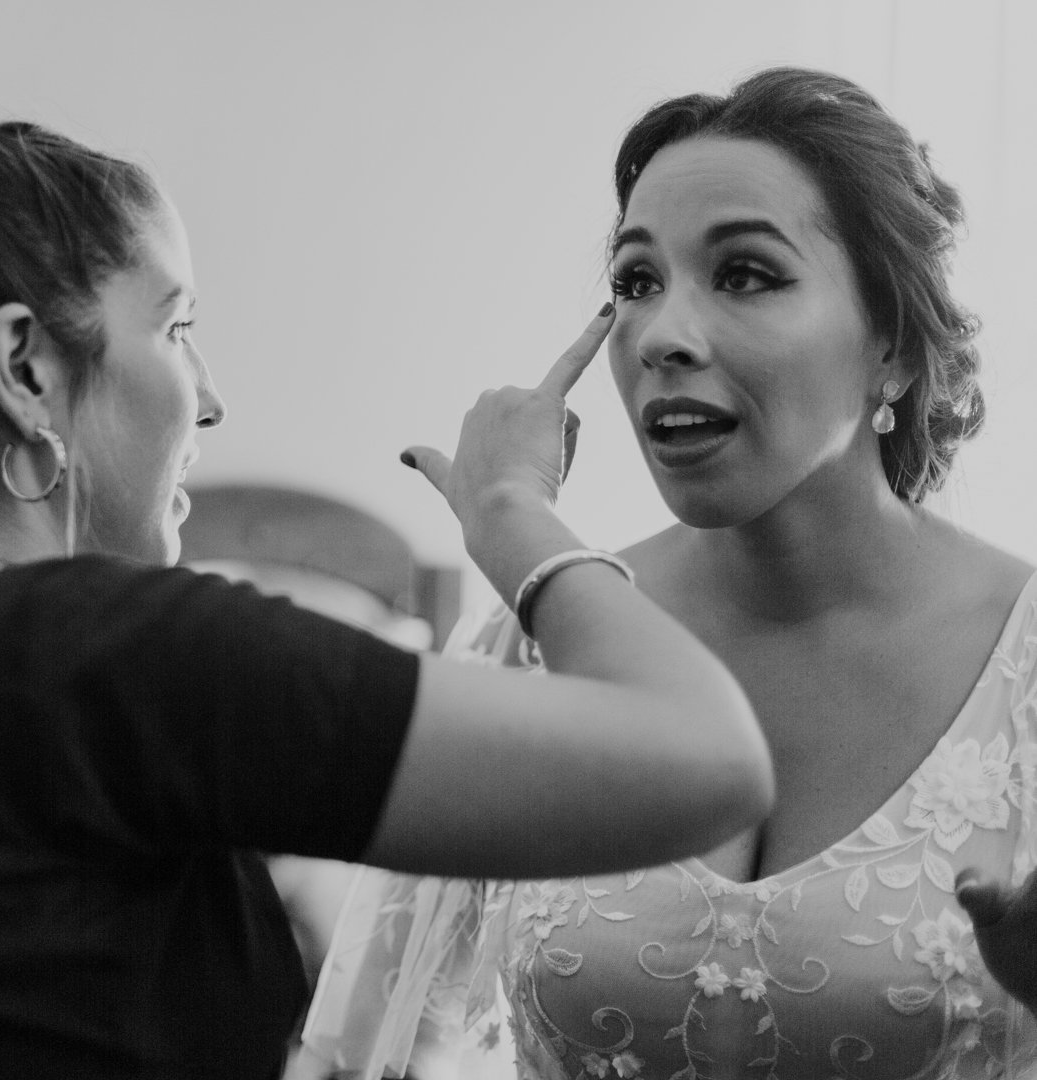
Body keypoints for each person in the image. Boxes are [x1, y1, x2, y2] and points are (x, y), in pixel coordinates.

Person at [0, 112, 774, 1080]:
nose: (214, 399)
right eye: (179, 328)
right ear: (25, 369)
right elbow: (709, 760)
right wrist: (513, 509)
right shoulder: (81, 654)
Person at [302, 67, 1037, 1080]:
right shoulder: (538, 630)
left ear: (896, 351)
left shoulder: (1027, 665)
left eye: (745, 274)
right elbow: (380, 1046)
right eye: (636, 283)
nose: (662, 337)